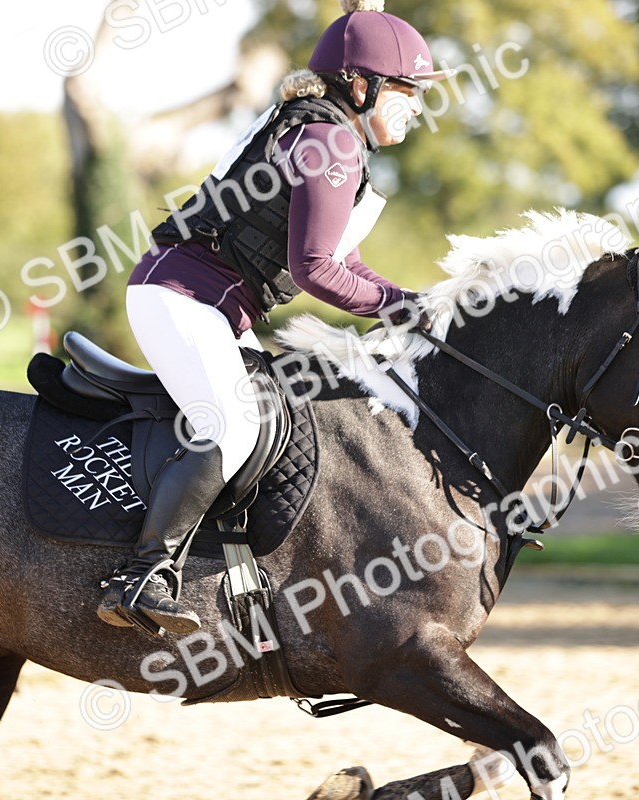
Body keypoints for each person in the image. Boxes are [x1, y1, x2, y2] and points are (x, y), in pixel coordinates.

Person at [99, 0, 451, 633]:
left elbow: (347, 262)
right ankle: (143, 576)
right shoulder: (329, 140)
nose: (417, 106)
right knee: (232, 427)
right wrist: (397, 308)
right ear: (362, 86)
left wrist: (415, 303)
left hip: (212, 306)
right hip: (180, 295)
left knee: (285, 420)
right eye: (407, 89)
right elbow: (315, 270)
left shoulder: (331, 137)